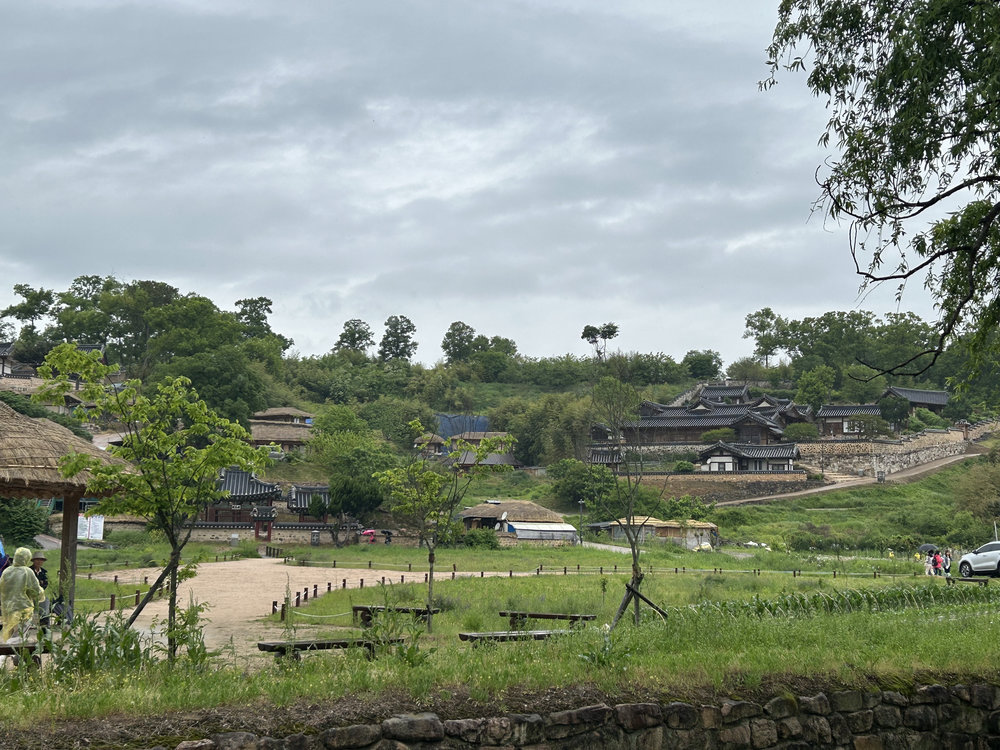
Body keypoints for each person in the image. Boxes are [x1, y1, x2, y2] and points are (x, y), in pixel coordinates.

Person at [0, 547, 44, 643]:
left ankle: (14, 656)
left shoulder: (7, 571)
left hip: (8, 609)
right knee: (19, 637)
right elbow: (35, 590)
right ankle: (4, 656)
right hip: (23, 609)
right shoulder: (27, 571)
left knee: (11, 634)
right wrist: (40, 595)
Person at [30, 551, 49, 631]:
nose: (39, 562)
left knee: (46, 600)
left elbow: (46, 584)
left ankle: (44, 623)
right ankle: (30, 624)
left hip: (40, 595)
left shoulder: (44, 573)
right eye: (37, 560)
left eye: (41, 560)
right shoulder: (29, 571)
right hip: (29, 595)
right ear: (33, 561)